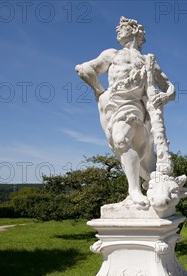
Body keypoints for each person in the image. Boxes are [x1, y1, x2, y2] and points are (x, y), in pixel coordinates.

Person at [75, 16, 175, 207]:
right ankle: (136, 189)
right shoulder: (112, 54)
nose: (117, 29)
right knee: (122, 144)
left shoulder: (148, 60)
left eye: (122, 27)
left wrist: (165, 96)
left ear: (135, 31)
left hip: (135, 104)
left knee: (122, 140)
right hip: (111, 104)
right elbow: (85, 69)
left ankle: (134, 190)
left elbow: (170, 88)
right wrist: (99, 91)